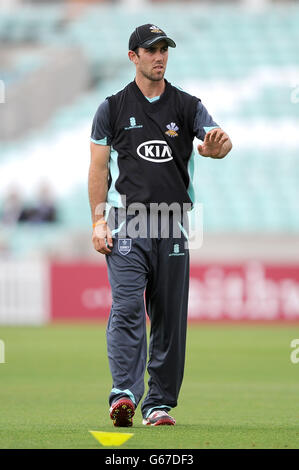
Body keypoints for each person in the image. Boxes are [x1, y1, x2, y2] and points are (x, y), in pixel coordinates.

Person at [88, 24, 232, 427]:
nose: (159, 56)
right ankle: (123, 395)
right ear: (133, 56)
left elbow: (216, 140)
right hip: (127, 223)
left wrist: (217, 148)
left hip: (173, 224)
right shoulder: (112, 107)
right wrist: (99, 220)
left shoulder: (187, 105)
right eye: (151, 50)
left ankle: (158, 405)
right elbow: (98, 167)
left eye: (164, 49)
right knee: (129, 306)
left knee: (169, 317)